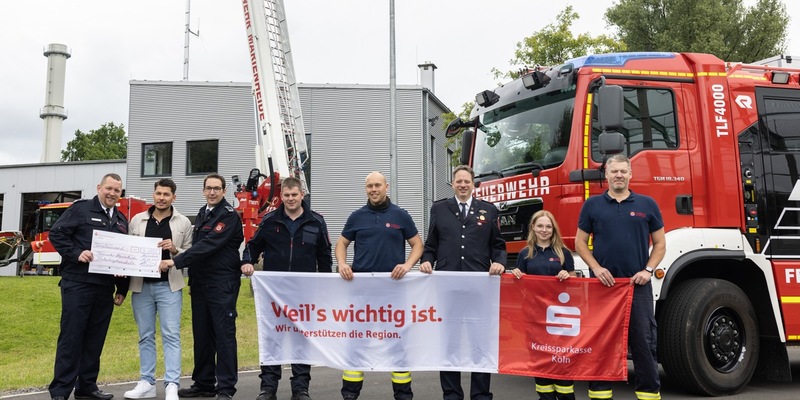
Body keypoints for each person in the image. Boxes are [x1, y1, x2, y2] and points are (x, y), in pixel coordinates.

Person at [575, 154, 666, 400]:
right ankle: (600, 394)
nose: (618, 175)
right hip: (603, 287)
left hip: (637, 287)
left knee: (643, 342)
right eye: (614, 171)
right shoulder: (592, 205)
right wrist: (596, 268)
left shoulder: (647, 204)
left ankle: (649, 393)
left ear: (630, 174)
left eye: (623, 172)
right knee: (602, 342)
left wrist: (648, 271)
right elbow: (580, 243)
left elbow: (660, 244)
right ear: (606, 175)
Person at [419, 165, 506, 400]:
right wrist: (427, 261)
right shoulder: (439, 209)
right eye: (459, 181)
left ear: (473, 184)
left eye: (467, 181)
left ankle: (481, 395)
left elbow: (498, 246)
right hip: (448, 288)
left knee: (480, 343)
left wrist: (499, 262)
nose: (463, 185)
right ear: (453, 184)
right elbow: (431, 245)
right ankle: (452, 394)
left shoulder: (488, 210)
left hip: (480, 288)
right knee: (450, 343)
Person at [242, 177, 333, 400]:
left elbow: (324, 256)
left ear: (302, 194)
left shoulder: (316, 222)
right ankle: (268, 388)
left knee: (301, 339)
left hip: (304, 294)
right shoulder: (269, 220)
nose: (291, 199)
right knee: (273, 339)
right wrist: (247, 261)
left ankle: (300, 388)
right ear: (281, 196)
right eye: (286, 195)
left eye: (294, 195)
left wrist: (325, 286)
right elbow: (253, 246)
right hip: (274, 293)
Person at [336, 171, 424, 400]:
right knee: (357, 343)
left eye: (377, 185)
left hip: (393, 291)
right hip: (361, 292)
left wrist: (408, 265)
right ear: (365, 189)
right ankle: (350, 394)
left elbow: (417, 245)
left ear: (387, 187)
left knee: (397, 343)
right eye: (369, 186)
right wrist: (342, 264)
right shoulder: (356, 217)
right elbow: (341, 243)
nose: (373, 190)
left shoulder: (401, 215)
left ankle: (403, 395)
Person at [158, 174, 246, 400]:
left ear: (224, 191)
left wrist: (176, 261)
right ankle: (204, 383)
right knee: (202, 335)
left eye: (217, 188)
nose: (212, 192)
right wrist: (193, 280)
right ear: (203, 190)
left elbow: (208, 245)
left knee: (224, 336)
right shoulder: (203, 213)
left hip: (222, 284)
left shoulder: (228, 216)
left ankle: (226, 387)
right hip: (201, 285)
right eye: (208, 188)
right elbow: (198, 249)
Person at [48, 173, 129, 400]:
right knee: (71, 337)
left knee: (95, 339)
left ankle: (87, 387)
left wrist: (122, 288)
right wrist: (76, 253)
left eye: (117, 190)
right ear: (99, 187)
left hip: (104, 288)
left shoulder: (121, 220)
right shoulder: (81, 209)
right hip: (78, 284)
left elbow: (122, 257)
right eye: (109, 188)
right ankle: (60, 390)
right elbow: (57, 234)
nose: (112, 193)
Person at [123, 179, 193, 400]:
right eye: (158, 193)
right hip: (141, 286)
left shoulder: (183, 222)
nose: (162, 198)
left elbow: (191, 253)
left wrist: (175, 249)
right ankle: (147, 382)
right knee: (145, 336)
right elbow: (128, 250)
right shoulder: (137, 220)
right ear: (153, 195)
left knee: (171, 335)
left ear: (174, 197)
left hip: (169, 287)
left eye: (166, 194)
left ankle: (172, 384)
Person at [509, 210, 576, 400]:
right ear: (533, 227)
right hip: (535, 316)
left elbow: (575, 283)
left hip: (559, 317)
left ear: (553, 229)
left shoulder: (563, 253)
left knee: (561, 358)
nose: (544, 230)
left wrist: (568, 276)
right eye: (540, 226)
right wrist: (516, 276)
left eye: (548, 226)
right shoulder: (525, 253)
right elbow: (520, 287)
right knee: (539, 358)